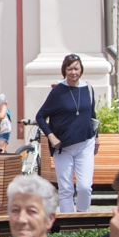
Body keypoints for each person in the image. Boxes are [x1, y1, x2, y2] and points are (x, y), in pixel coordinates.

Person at [35, 54, 99, 214]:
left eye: (76, 68)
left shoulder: (88, 89)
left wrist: (96, 137)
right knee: (66, 189)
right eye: (69, 68)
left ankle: (82, 219)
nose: (73, 72)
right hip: (63, 147)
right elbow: (40, 116)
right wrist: (51, 136)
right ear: (64, 70)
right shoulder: (58, 91)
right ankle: (68, 225)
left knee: (85, 187)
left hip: (85, 144)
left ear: (81, 69)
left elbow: (92, 116)